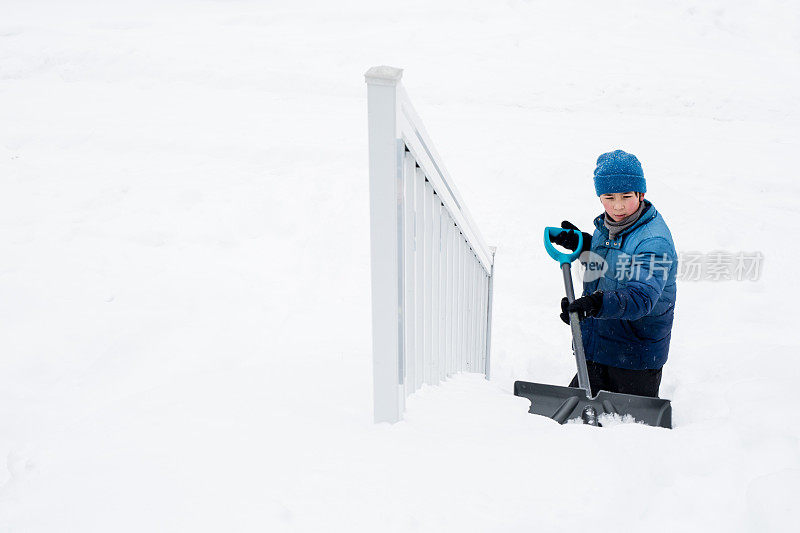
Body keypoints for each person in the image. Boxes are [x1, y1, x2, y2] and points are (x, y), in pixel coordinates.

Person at [550, 150, 677, 398]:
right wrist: (584, 244)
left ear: (641, 194)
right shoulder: (607, 227)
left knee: (629, 433)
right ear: (600, 197)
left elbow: (641, 297)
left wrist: (593, 305)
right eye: (609, 197)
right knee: (571, 429)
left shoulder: (654, 241)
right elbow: (614, 264)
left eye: (626, 196)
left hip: (634, 356)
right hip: (597, 347)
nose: (618, 206)